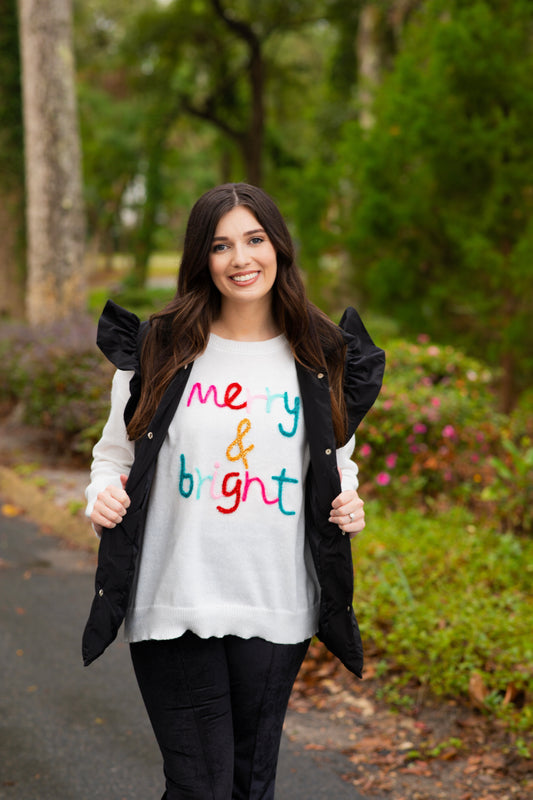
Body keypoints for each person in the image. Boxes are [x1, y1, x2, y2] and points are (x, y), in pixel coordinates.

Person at [82, 182, 385, 800]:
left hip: (275, 601)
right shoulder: (158, 348)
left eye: (255, 239)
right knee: (201, 786)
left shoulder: (321, 353)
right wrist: (101, 495)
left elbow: (336, 460)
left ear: (279, 246)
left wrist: (350, 501)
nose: (241, 258)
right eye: (221, 246)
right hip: (174, 598)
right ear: (202, 259)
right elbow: (113, 455)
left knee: (250, 783)